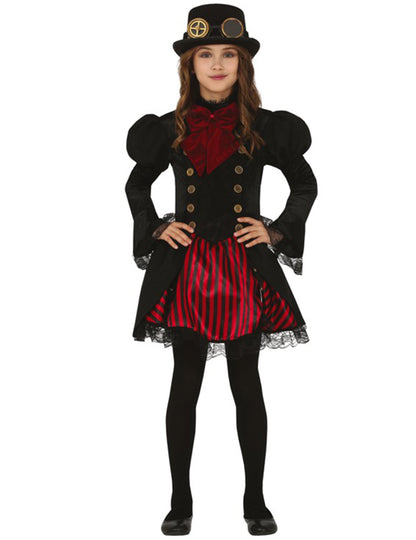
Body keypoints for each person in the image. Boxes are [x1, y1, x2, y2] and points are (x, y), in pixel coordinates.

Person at [125, 3, 318, 535]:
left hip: (240, 270)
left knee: (246, 384)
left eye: (228, 54)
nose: (216, 64)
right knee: (184, 384)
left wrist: (277, 231)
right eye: (205, 54)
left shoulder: (264, 127)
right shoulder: (169, 128)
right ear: (189, 63)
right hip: (187, 270)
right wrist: (156, 227)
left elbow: (305, 183)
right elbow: (136, 183)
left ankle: (255, 500)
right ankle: (179, 501)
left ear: (242, 63)